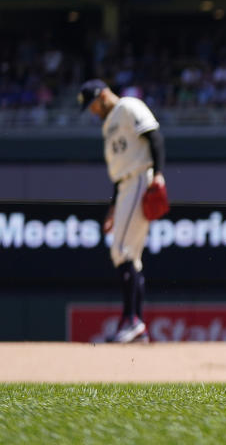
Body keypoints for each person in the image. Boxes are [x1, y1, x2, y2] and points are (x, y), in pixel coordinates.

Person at [78, 80, 167, 343]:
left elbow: (154, 136)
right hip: (126, 184)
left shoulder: (128, 106)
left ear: (103, 95)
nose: (93, 111)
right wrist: (112, 208)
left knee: (121, 251)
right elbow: (118, 174)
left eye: (94, 104)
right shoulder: (108, 125)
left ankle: (132, 321)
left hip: (140, 178)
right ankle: (135, 323)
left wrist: (159, 174)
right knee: (131, 257)